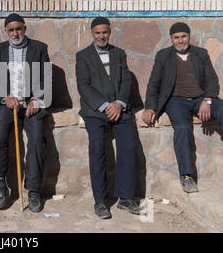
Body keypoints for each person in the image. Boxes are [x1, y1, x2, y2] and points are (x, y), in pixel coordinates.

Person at [142, 22, 222, 193]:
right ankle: (186, 176)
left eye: (183, 36)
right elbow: (153, 83)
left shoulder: (201, 53)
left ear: (189, 36)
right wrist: (149, 107)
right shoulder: (163, 56)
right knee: (183, 128)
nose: (180, 41)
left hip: (200, 98)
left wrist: (207, 100)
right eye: (176, 38)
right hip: (176, 100)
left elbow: (212, 81)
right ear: (171, 39)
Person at [76, 17, 142, 219]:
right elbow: (83, 86)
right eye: (97, 33)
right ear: (92, 33)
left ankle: (126, 198)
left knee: (129, 147)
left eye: (104, 32)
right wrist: (105, 106)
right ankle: (100, 202)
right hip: (95, 111)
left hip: (119, 109)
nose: (101, 36)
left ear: (109, 32)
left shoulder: (119, 53)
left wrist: (119, 103)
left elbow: (126, 80)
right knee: (97, 149)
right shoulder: (83, 56)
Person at [0, 13, 50, 212]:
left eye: (18, 29)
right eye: (11, 30)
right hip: (8, 104)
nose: (15, 33)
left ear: (25, 28)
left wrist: (37, 99)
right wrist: (6, 96)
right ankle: (0, 186)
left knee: (38, 139)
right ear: (6, 31)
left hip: (32, 104)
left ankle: (33, 190)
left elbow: (45, 79)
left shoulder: (39, 48)